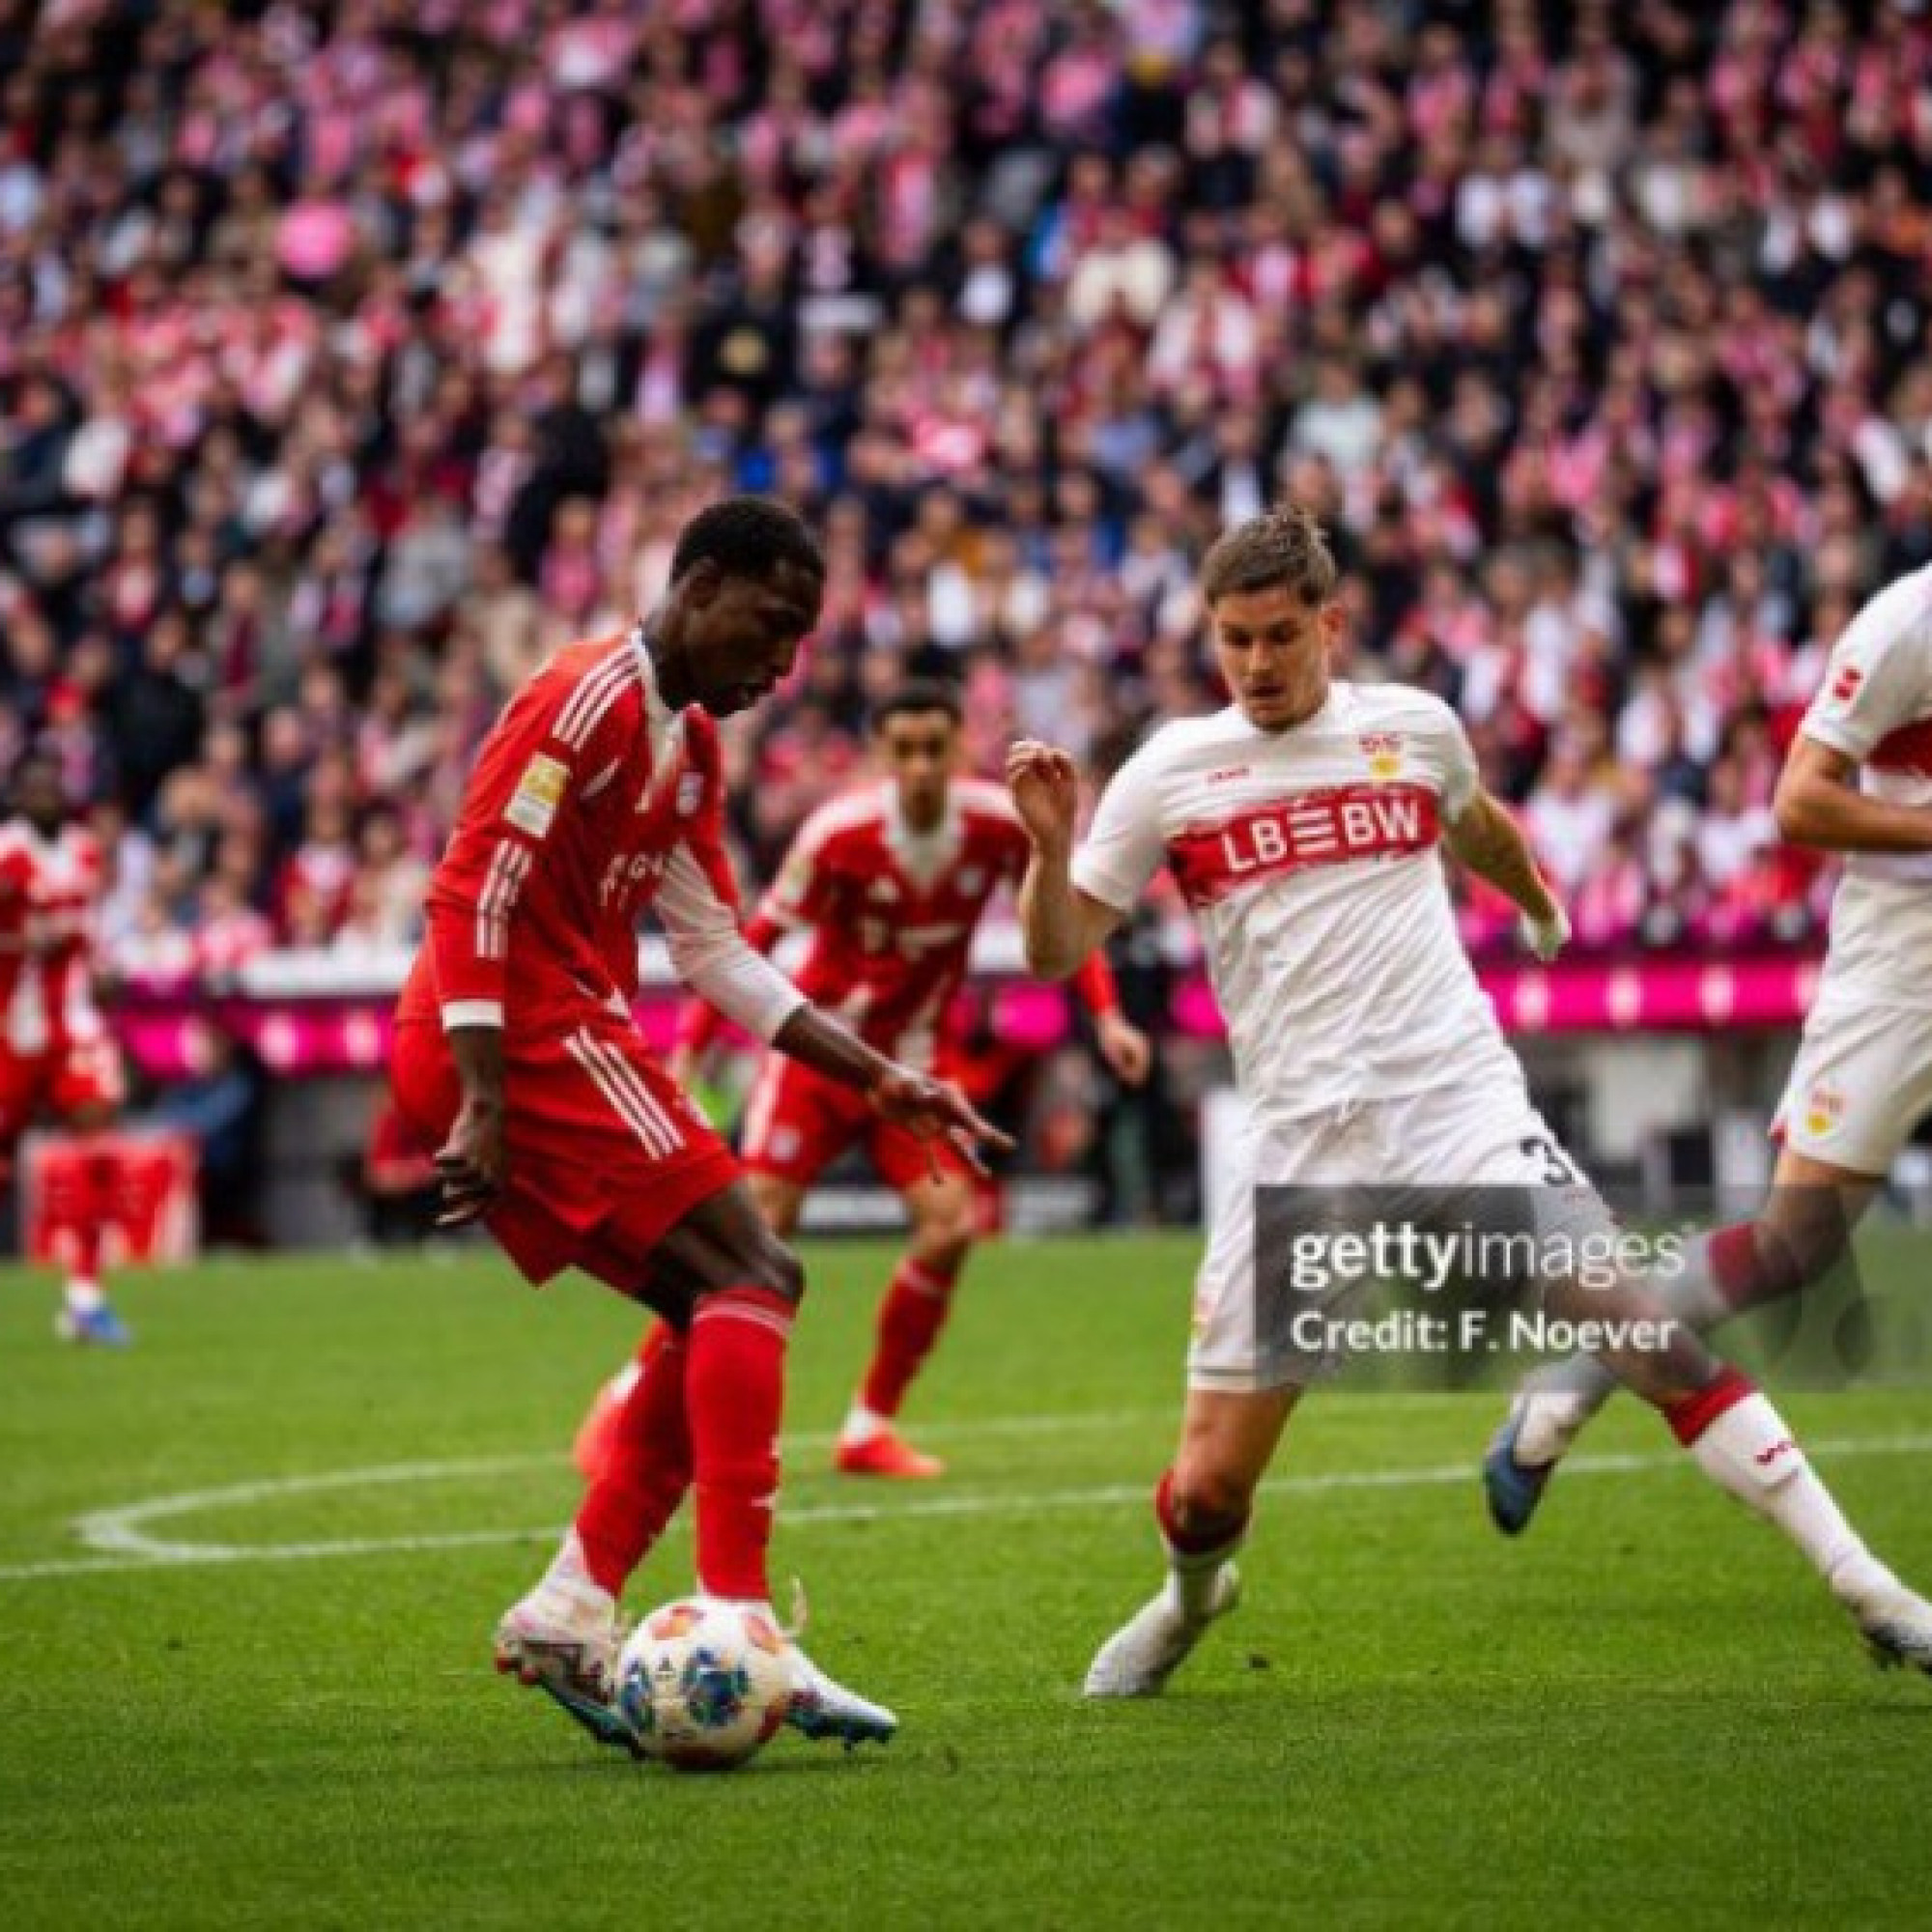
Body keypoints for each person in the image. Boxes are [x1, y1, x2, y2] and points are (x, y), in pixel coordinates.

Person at [1006, 502, 1932, 1699]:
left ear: (1329, 624)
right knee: (1207, 1491)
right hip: (1303, 1153)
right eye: (1233, 639)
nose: (1255, 662)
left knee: (1645, 1333)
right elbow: (1054, 950)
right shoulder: (1168, 772)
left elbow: (1476, 822)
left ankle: (1869, 1587)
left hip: (1459, 1109)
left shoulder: (1411, 728)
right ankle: (1189, 1599)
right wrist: (1048, 852)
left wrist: (1534, 900)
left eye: (1278, 635)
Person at [390, 497, 1008, 1755]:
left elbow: (715, 951)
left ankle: (572, 1605)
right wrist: (488, 1096)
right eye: (770, 627)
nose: (781, 664)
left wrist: (877, 1075)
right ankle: (740, 1620)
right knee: (755, 1273)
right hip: (515, 1031)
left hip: (553, 1030)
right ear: (702, 583)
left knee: (719, 1298)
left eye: (799, 642)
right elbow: (468, 895)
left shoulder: (686, 748)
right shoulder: (583, 700)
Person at [582, 678, 1150, 1483]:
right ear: (882, 755)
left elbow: (1057, 914)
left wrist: (1109, 1017)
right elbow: (749, 941)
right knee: (745, 1244)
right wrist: (691, 1051)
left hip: (911, 1071)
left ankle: (868, 1425)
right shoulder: (837, 834)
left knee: (951, 1227)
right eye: (904, 750)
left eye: (934, 749)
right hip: (818, 1062)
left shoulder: (996, 823)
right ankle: (631, 1396)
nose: (920, 766)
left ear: (959, 748)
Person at [1484, 559, 1932, 1530]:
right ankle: (1572, 1381)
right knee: (1792, 1243)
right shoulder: (1907, 625)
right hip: (1904, 968)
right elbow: (1799, 802)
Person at [0, 751, 131, 1345]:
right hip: (14, 1026)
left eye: (54, 787)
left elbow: (94, 928)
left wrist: (105, 971)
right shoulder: (8, 852)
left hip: (75, 1022)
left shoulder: (84, 850)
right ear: (18, 797)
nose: (47, 797)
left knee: (99, 1144)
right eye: (36, 789)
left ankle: (85, 1296)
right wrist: (23, 942)